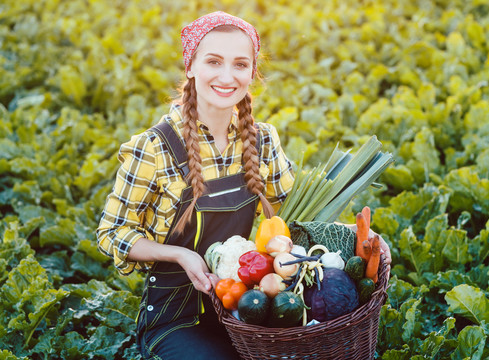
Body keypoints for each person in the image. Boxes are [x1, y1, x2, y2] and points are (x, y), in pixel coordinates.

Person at [96, 11, 391, 360]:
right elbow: (112, 234)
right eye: (213, 61)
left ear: (252, 73)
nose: (226, 76)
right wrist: (180, 255)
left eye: (239, 64)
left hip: (249, 311)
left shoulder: (262, 140)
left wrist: (361, 240)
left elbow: (297, 221)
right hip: (176, 317)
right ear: (190, 66)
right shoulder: (155, 147)